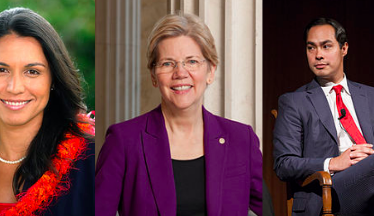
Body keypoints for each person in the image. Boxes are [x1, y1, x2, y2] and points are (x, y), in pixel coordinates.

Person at [95, 13, 262, 216]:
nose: (180, 73)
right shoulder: (124, 141)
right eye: (167, 63)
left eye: (191, 61)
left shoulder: (241, 139)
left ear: (210, 72)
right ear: (154, 76)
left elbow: (267, 209)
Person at [0, 8, 95, 216]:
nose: (15, 87)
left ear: (52, 79)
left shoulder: (91, 161)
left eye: (32, 72)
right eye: (1, 70)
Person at [273, 17, 374, 215]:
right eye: (311, 48)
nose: (318, 55)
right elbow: (284, 164)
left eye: (326, 46)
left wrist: (370, 163)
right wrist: (334, 162)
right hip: (329, 192)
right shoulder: (294, 101)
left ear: (344, 48)